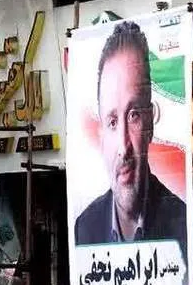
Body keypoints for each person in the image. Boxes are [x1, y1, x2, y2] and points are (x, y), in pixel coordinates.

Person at [74, 20, 186, 248]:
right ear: (101, 134)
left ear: (150, 122)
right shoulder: (84, 229)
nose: (123, 147)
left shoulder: (182, 225)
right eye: (112, 121)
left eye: (133, 115)